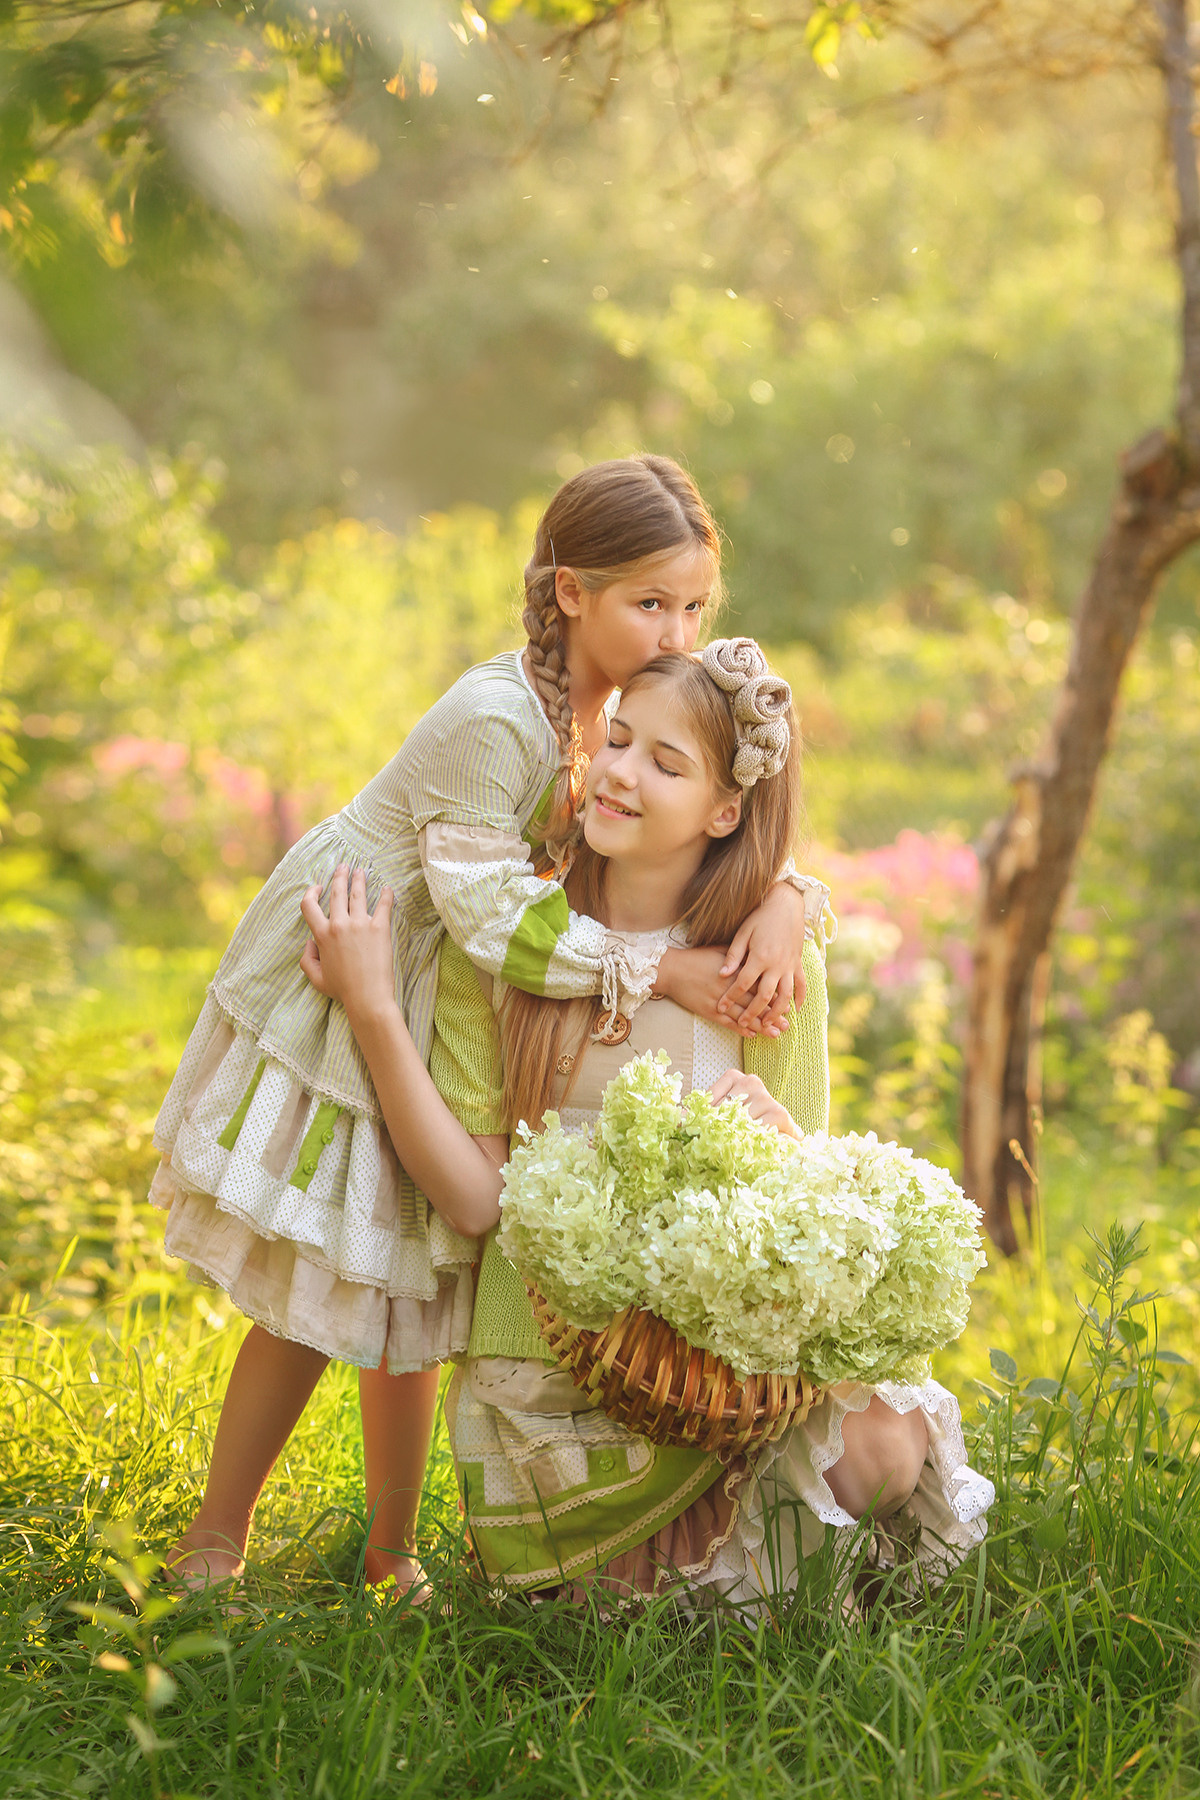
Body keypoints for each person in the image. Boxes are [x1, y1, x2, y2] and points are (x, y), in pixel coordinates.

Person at [153, 457, 828, 1595]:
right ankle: (212, 1538)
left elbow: (720, 794)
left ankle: (392, 1549)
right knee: (330, 1275)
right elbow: (496, 925)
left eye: (695, 606)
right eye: (649, 603)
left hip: (445, 979)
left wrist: (790, 893)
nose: (678, 629)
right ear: (572, 593)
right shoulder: (493, 723)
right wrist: (661, 973)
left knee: (410, 1273)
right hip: (366, 955)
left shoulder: (605, 712)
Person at [302, 640, 994, 1608]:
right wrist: (377, 1012)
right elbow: (468, 1198)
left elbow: (807, 1241)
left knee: (884, 1442)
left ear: (724, 810)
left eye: (665, 763)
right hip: (550, 1389)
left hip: (708, 1385)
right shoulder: (504, 949)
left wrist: (784, 1148)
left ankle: (756, 1573)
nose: (620, 772)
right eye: (617, 739)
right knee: (671, 1582)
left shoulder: (768, 968)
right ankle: (739, 1574)